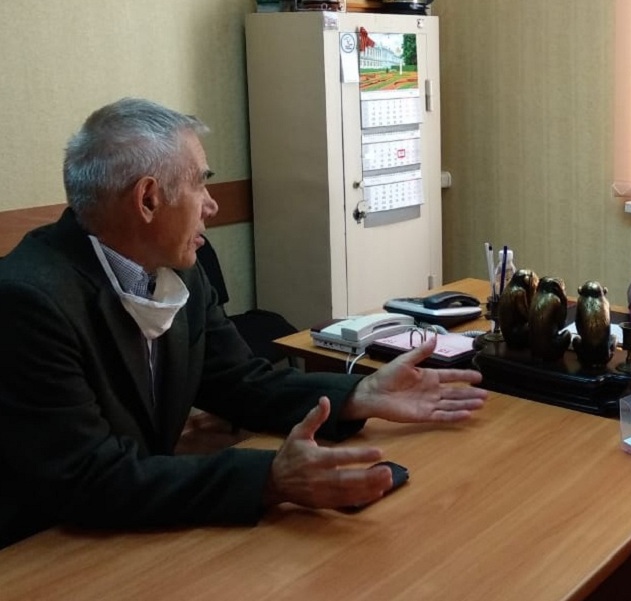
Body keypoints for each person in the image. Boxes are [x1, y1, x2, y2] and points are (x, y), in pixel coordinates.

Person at [0, 98, 488, 548]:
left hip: (132, 527)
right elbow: (88, 478)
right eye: (199, 183)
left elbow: (239, 382)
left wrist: (360, 394)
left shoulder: (176, 269)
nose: (211, 204)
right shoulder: (29, 301)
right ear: (147, 199)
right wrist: (270, 478)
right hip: (41, 549)